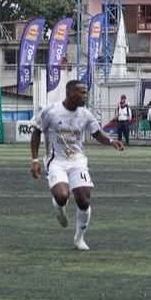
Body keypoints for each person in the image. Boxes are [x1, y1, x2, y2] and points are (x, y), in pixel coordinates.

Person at [29, 80, 125, 251]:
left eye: (85, 92)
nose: (85, 96)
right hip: (56, 161)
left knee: (83, 198)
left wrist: (111, 141)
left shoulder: (85, 114)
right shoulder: (51, 111)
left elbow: (96, 133)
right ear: (70, 93)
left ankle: (79, 238)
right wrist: (35, 160)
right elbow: (36, 132)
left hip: (78, 161)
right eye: (81, 92)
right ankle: (59, 207)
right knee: (62, 195)